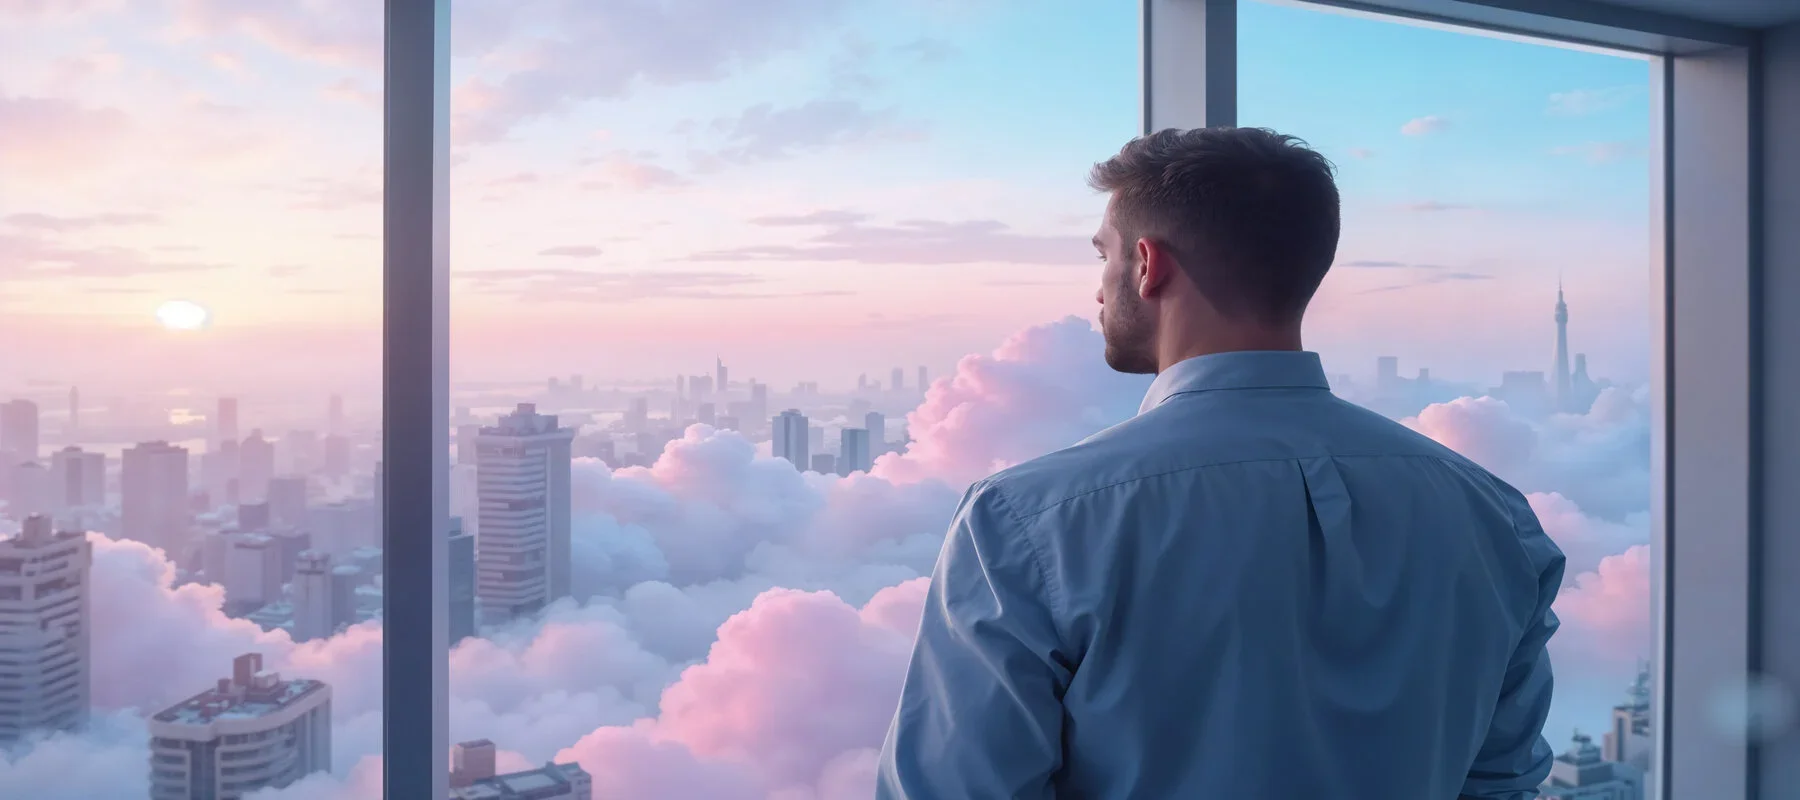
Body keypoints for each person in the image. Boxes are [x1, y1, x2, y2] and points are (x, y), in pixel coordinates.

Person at [875, 127, 1565, 799]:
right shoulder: (1495, 515)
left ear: (1148, 265)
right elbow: (1501, 781)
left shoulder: (1027, 522)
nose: (1096, 289)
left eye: (1103, 256)